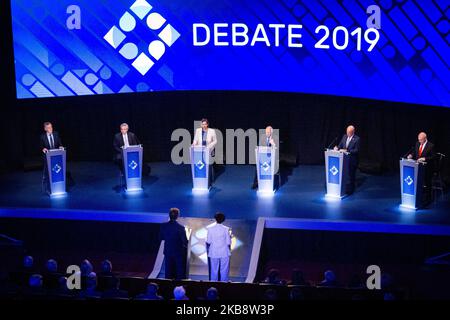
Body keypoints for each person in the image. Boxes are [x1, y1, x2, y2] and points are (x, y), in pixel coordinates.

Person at [159, 208, 188, 280]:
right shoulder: (181, 228)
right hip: (178, 252)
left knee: (168, 270)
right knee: (179, 270)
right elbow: (184, 241)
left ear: (169, 215)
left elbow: (161, 237)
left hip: (168, 250)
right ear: (178, 216)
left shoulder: (163, 226)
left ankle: (167, 285)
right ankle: (179, 285)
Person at [407, 132, 435, 203]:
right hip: (417, 166)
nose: (419, 141)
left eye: (421, 140)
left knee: (427, 182)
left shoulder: (431, 146)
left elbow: (433, 157)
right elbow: (415, 153)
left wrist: (424, 158)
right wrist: (411, 155)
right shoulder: (417, 143)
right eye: (419, 140)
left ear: (425, 139)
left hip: (427, 168)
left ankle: (428, 198)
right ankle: (417, 195)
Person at [334, 125, 360, 194]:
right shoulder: (344, 136)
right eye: (347, 132)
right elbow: (340, 146)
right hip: (343, 160)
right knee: (344, 175)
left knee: (351, 175)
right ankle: (344, 188)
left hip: (352, 160)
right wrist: (337, 148)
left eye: (349, 132)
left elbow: (356, 150)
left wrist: (347, 151)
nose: (348, 133)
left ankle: (351, 190)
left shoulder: (357, 139)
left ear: (353, 132)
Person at [206, 212, 232, 282]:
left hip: (214, 252)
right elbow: (228, 242)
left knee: (214, 269)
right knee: (224, 269)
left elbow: (208, 241)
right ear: (223, 220)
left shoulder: (210, 229)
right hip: (224, 252)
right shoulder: (226, 229)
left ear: (215, 219)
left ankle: (213, 284)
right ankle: (224, 284)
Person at [192, 118, 217, 186]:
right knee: (202, 164)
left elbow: (215, 141)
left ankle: (210, 181)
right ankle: (202, 179)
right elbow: (195, 140)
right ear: (201, 124)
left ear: (207, 124)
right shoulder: (198, 130)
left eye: (205, 124)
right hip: (200, 150)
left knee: (209, 165)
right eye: (202, 124)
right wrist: (194, 144)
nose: (204, 125)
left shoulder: (212, 131)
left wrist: (209, 146)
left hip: (209, 150)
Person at [40, 122, 64, 192]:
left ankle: (58, 186)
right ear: (45, 129)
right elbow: (41, 146)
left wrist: (61, 146)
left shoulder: (56, 134)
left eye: (51, 127)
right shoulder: (42, 137)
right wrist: (43, 149)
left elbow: (59, 143)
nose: (51, 129)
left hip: (57, 157)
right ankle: (49, 188)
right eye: (49, 128)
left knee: (57, 170)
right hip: (47, 158)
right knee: (48, 173)